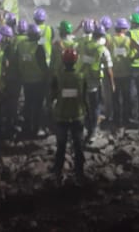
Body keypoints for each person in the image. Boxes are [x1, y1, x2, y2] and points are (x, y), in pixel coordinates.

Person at [49, 48, 86, 184]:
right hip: (77, 116)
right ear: (76, 61)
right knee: (78, 146)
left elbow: (52, 95)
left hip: (61, 116)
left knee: (61, 146)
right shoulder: (81, 77)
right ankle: (80, 173)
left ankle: (57, 171)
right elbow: (85, 96)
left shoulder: (58, 76)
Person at [80, 25, 114, 142]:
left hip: (83, 79)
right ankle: (93, 131)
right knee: (95, 107)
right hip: (95, 82)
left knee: (85, 106)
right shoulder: (103, 50)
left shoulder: (85, 46)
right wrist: (112, 84)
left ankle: (85, 128)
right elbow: (109, 71)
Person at [15, 23, 48, 138]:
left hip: (26, 80)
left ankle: (26, 127)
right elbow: (43, 65)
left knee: (28, 104)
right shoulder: (38, 48)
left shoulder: (21, 45)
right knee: (38, 106)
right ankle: (37, 129)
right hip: (38, 80)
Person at [109, 18, 136, 130]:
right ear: (124, 29)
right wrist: (131, 58)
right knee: (126, 98)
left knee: (115, 98)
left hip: (114, 73)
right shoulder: (129, 40)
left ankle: (117, 120)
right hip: (126, 73)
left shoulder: (110, 40)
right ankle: (126, 119)